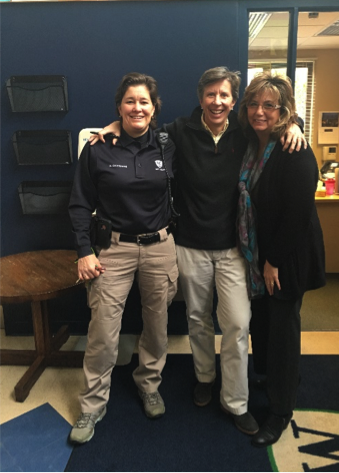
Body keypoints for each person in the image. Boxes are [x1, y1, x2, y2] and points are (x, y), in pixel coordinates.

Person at [91, 67, 306, 436]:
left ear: (233, 100)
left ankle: (236, 402)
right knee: (197, 320)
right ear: (200, 97)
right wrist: (112, 126)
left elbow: (271, 119)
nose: (217, 101)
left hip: (235, 249)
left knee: (238, 324)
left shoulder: (245, 131)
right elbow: (137, 128)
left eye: (224, 95)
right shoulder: (178, 132)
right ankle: (205, 378)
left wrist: (295, 124)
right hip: (189, 245)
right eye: (210, 94)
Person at [68, 72, 178, 444]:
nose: (137, 107)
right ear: (119, 106)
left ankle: (148, 384)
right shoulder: (98, 148)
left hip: (160, 246)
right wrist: (84, 250)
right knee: (102, 330)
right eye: (129, 101)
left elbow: (216, 121)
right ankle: (92, 405)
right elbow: (80, 203)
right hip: (112, 249)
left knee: (158, 325)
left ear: (154, 107)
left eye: (144, 101)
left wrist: (292, 122)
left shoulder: (168, 144)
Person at [237, 72, 325, 447]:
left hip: (285, 256)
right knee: (265, 323)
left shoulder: (294, 149)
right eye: (254, 104)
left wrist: (272, 261)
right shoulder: (250, 143)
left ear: (283, 111)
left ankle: (280, 411)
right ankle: (274, 378)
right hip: (259, 254)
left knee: (283, 330)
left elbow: (298, 212)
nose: (260, 112)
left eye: (269, 106)